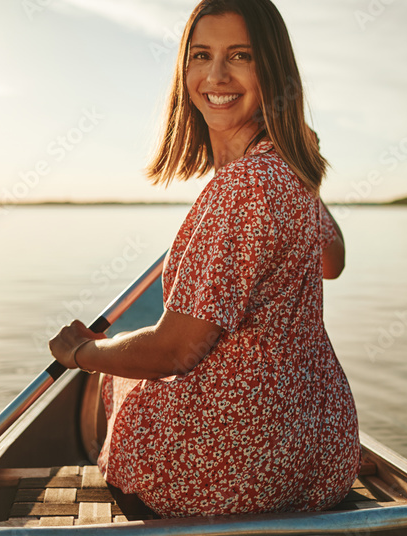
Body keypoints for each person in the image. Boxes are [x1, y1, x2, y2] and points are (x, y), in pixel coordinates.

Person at [48, 0, 359, 519]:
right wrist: (304, 166)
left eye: (240, 55)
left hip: (236, 473)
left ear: (272, 70)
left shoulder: (241, 188)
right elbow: (333, 260)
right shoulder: (287, 175)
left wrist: (82, 353)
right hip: (320, 455)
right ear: (184, 70)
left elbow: (175, 352)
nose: (216, 75)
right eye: (201, 55)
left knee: (115, 376)